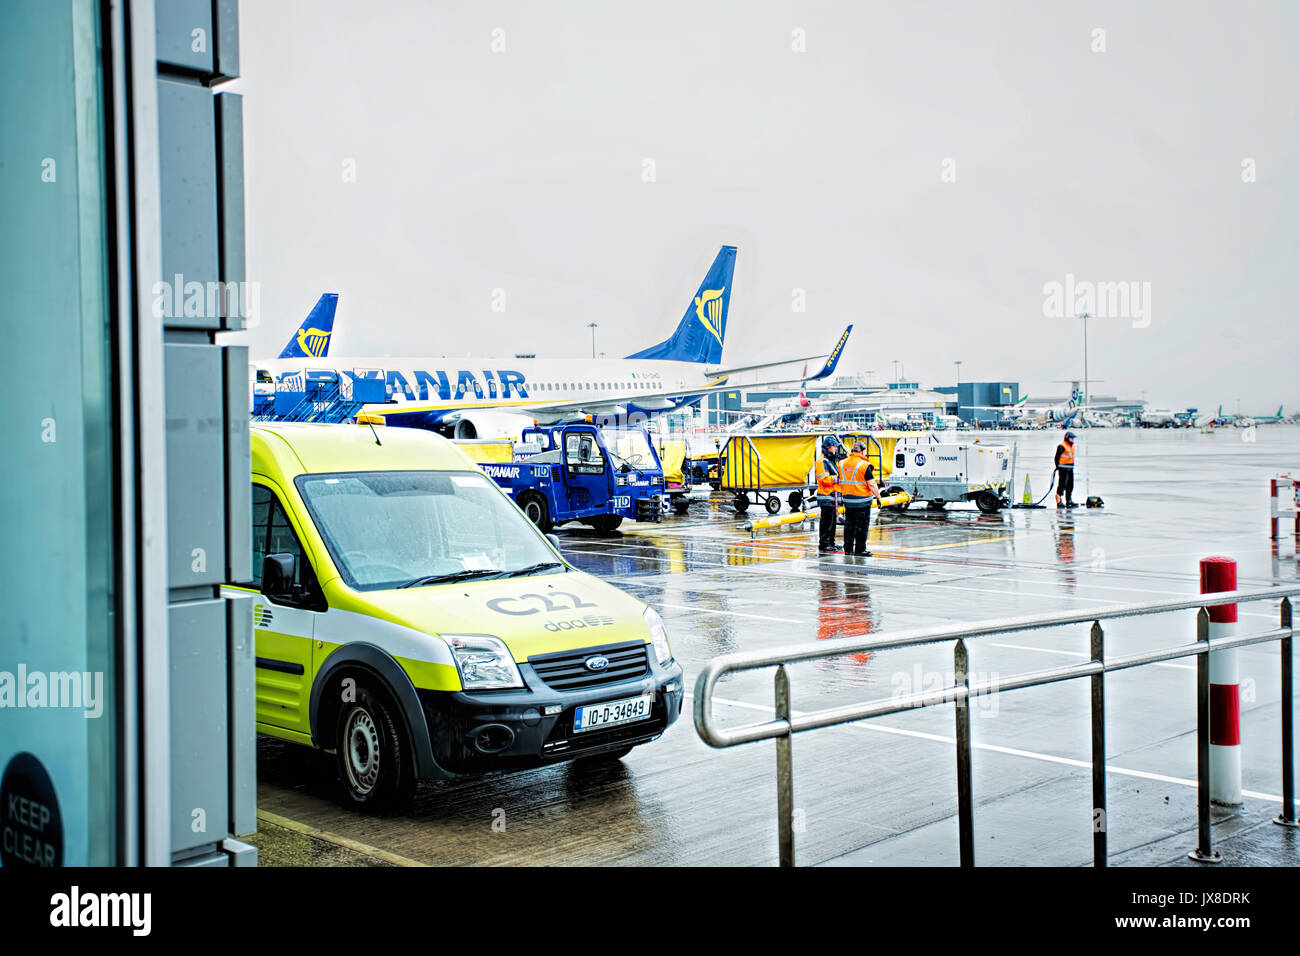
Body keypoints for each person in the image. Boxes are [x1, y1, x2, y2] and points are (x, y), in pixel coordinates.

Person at [837, 441, 882, 556]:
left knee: (849, 525)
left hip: (848, 500)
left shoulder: (841, 463)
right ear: (862, 451)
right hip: (862, 502)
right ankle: (860, 550)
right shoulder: (864, 465)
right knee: (862, 527)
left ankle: (848, 549)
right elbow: (871, 484)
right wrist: (878, 497)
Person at [816, 437, 843, 553]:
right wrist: (838, 479)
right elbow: (823, 479)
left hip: (832, 496)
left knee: (832, 521)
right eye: (834, 446)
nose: (836, 448)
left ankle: (831, 542)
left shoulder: (830, 460)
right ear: (828, 447)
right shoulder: (822, 461)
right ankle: (824, 543)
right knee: (826, 521)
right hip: (826, 495)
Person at [1055, 430, 1077, 508]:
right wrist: (1057, 466)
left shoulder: (1072, 446)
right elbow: (1057, 457)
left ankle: (1069, 500)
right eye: (1071, 438)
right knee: (1062, 485)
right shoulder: (1062, 446)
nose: (1072, 440)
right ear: (1067, 438)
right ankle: (1058, 500)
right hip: (1063, 468)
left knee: (1070, 485)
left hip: (1070, 468)